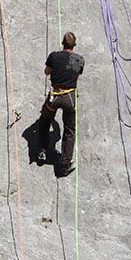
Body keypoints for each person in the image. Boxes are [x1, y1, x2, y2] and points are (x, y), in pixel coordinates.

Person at [37, 31, 85, 177]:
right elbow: (78, 73)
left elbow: (46, 72)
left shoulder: (54, 56)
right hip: (70, 98)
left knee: (45, 120)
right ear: (74, 45)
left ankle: (42, 151)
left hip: (55, 96)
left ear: (62, 43)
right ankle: (64, 164)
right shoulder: (79, 60)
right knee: (70, 130)